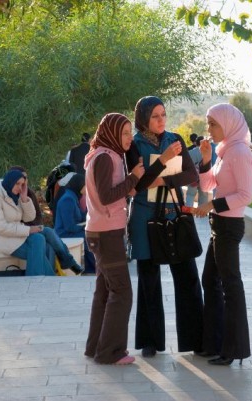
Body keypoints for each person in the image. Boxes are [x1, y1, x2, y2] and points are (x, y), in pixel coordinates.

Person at [125, 95, 204, 358]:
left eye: (163, 115)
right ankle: (150, 342)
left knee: (188, 278)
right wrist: (164, 160)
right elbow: (137, 184)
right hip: (145, 219)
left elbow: (191, 175)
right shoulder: (133, 146)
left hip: (174, 214)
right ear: (144, 119)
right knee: (149, 281)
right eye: (155, 116)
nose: (161, 120)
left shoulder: (176, 139)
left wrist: (163, 181)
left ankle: (196, 339)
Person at [193, 103, 252, 366]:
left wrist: (212, 205)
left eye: (213, 123)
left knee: (231, 286)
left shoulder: (240, 153)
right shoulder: (225, 151)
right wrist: (206, 160)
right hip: (218, 225)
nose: (208, 129)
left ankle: (233, 349)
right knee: (211, 280)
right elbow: (208, 185)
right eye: (208, 123)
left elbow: (245, 196)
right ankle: (215, 343)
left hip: (229, 227)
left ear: (228, 124)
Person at [83, 113, 145, 365]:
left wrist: (130, 184)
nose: (130, 138)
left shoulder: (105, 155)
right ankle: (110, 352)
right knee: (121, 292)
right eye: (125, 133)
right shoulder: (106, 157)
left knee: (105, 291)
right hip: (106, 233)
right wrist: (133, 177)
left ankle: (95, 346)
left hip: (101, 229)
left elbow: (109, 193)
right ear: (112, 134)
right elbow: (107, 196)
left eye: (130, 132)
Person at [0, 168, 84, 276]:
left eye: (22, 184)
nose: (20, 187)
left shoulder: (14, 195)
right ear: (9, 181)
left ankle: (44, 278)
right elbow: (0, 227)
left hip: (13, 235)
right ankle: (49, 278)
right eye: (17, 184)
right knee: (40, 244)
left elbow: (29, 218)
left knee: (45, 234)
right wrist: (29, 230)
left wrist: (25, 199)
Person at [54, 173, 95, 274]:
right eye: (86, 185)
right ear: (79, 185)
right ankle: (92, 268)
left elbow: (81, 216)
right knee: (89, 236)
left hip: (70, 231)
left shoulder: (73, 197)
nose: (87, 188)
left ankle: (93, 267)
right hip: (64, 234)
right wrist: (84, 227)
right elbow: (69, 227)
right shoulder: (68, 200)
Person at [185, 136, 210, 207]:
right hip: (204, 178)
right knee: (204, 197)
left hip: (193, 178)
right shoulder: (208, 153)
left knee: (190, 195)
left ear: (196, 143)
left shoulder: (190, 152)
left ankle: (188, 213)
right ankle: (202, 214)